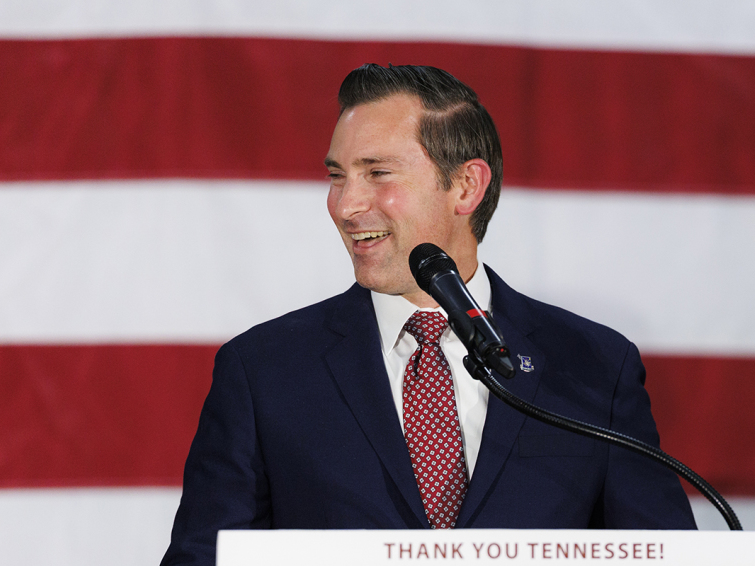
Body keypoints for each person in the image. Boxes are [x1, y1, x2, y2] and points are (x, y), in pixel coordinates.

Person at [161, 64, 696, 565]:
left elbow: (660, 553)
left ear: (465, 186)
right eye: (338, 175)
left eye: (377, 173)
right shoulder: (263, 371)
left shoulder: (594, 366)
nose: (346, 205)